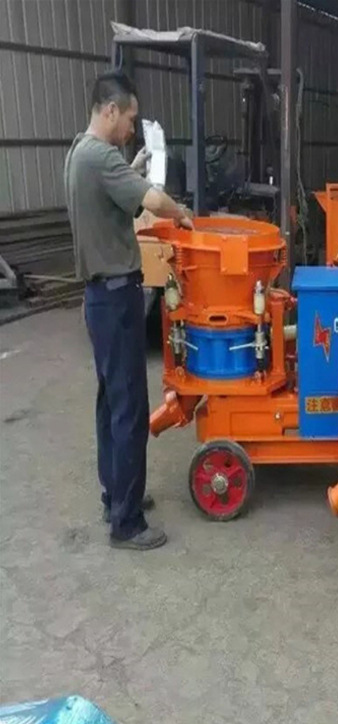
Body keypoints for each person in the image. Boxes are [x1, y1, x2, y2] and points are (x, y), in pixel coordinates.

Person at [64, 70, 193, 550]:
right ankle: (127, 522)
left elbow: (113, 193)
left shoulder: (79, 152)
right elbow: (151, 199)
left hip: (99, 297)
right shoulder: (100, 157)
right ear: (110, 110)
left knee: (109, 403)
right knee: (130, 410)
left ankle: (115, 495)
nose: (132, 128)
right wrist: (181, 213)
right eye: (130, 118)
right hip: (117, 297)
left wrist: (133, 166)